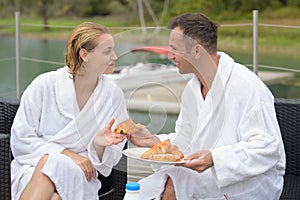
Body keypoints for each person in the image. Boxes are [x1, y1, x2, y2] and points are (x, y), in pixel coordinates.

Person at [128, 12, 285, 200]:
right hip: (207, 174)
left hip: (248, 182)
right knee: (143, 190)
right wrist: (154, 142)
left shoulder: (246, 87)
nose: (169, 56)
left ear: (197, 51)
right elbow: (186, 139)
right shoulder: (192, 89)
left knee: (172, 185)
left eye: (174, 49)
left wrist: (214, 159)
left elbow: (267, 148)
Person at [10, 22, 128, 200]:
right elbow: (21, 138)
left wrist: (98, 145)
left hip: (83, 170)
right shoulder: (44, 85)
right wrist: (65, 155)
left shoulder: (113, 94)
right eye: (107, 51)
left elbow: (112, 158)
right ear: (85, 55)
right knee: (54, 185)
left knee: (54, 179)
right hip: (33, 164)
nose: (115, 56)